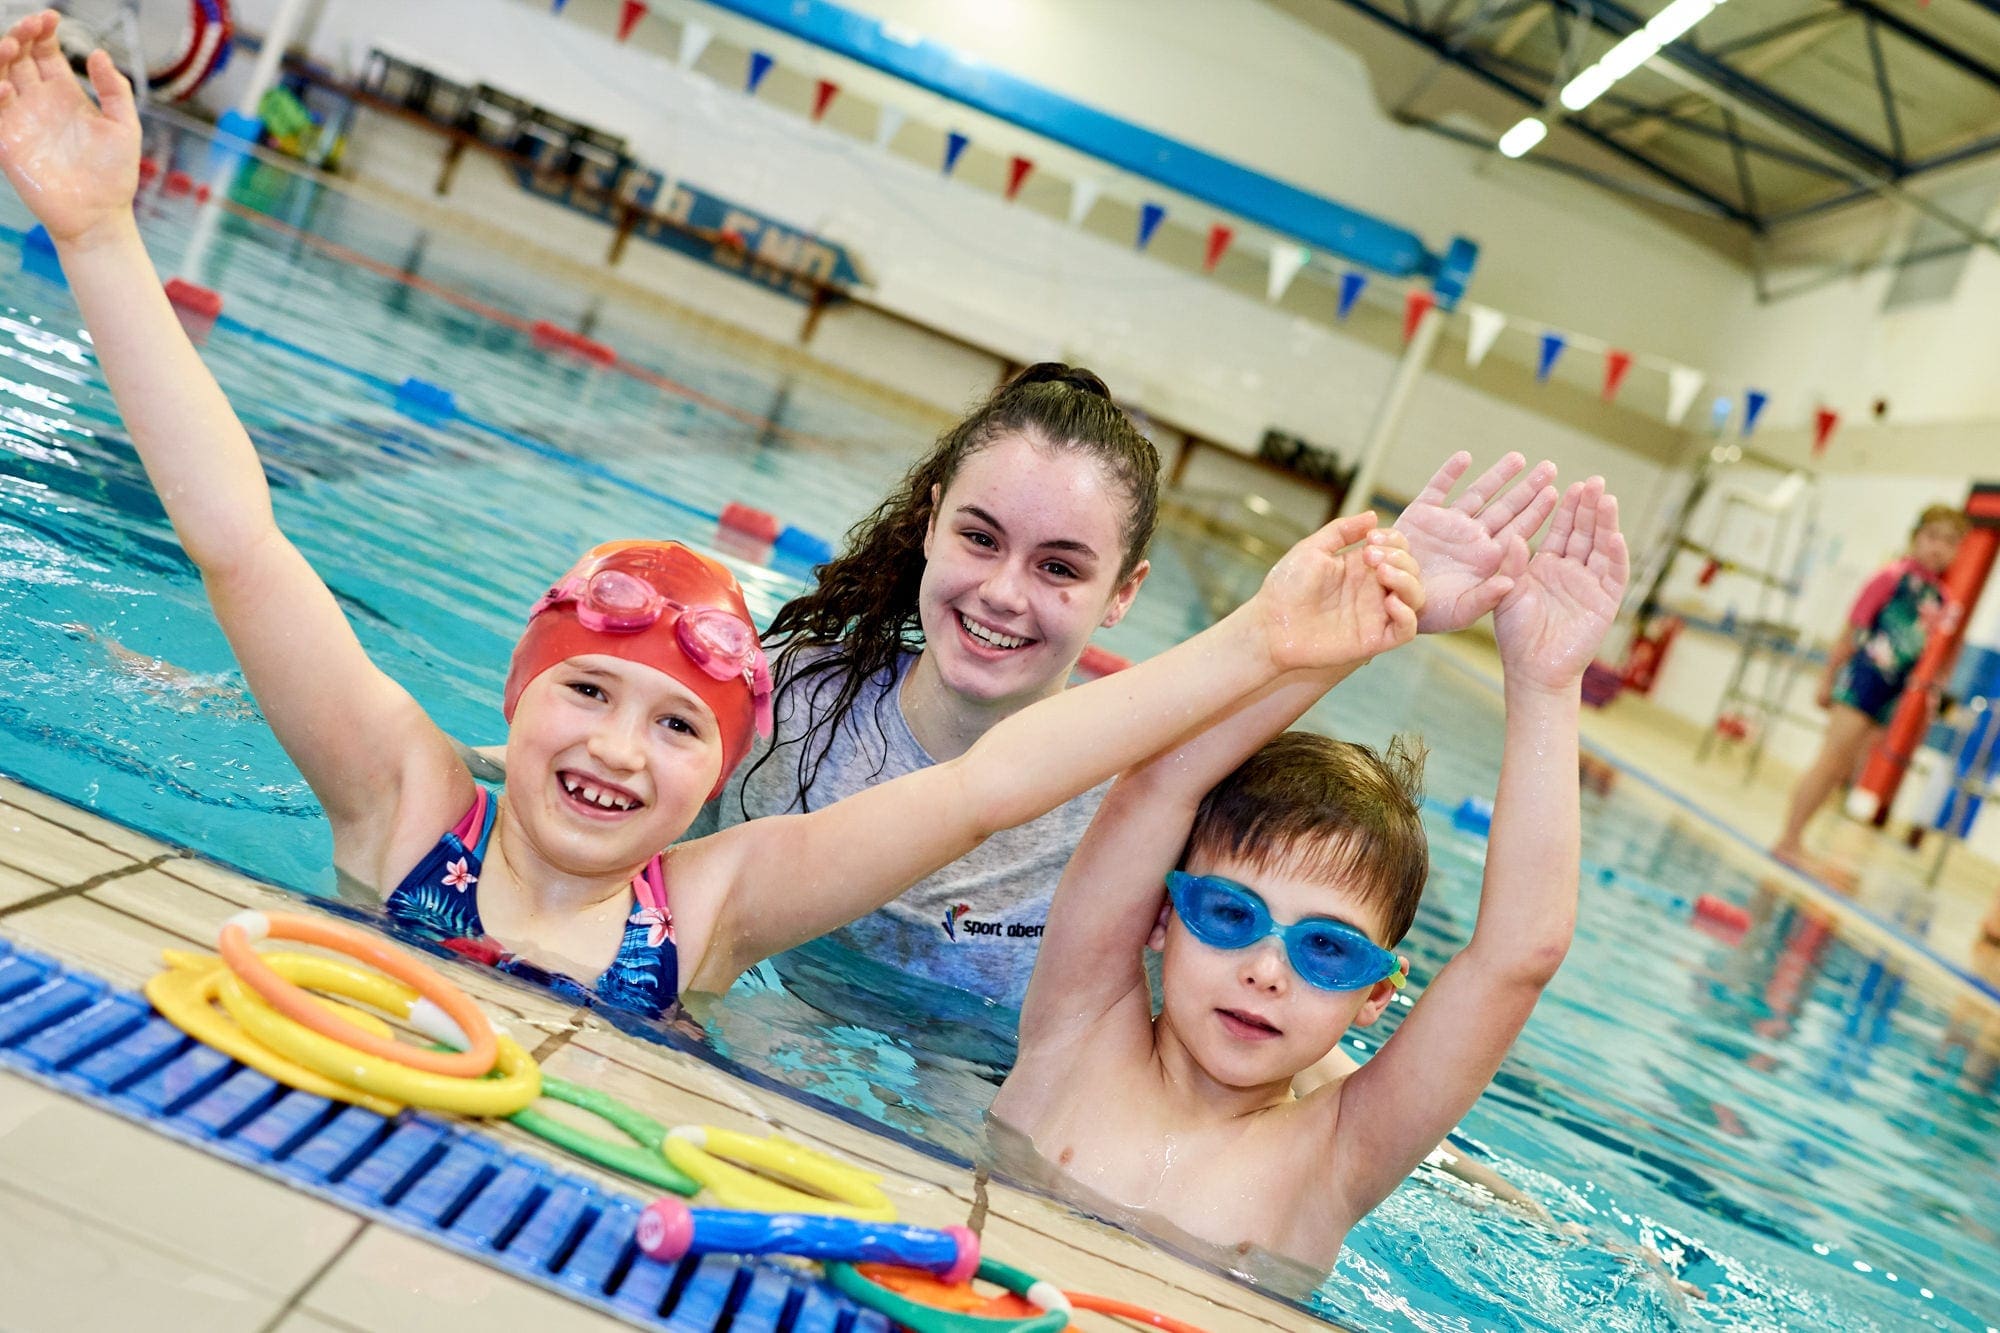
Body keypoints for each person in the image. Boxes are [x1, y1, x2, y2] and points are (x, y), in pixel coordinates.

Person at [0, 7, 1424, 1015]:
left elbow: (988, 787)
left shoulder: (713, 912)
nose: (621, 747)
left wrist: (1264, 645)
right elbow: (238, 538)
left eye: (679, 724)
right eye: (591, 694)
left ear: (723, 771)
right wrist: (100, 235)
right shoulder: (407, 799)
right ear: (516, 697)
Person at [692, 381, 1557, 1007]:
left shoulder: (1151, 813)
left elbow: (1270, 1019)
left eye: (1059, 567)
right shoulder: (783, 703)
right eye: (980, 537)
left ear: (1124, 593)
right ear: (930, 524)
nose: (1002, 592)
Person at [990, 479, 1628, 1264]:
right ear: (1161, 916)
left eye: (1327, 949)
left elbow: (1514, 959)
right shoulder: (1076, 1029)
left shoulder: (1333, 1158)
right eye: (1229, 914)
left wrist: (1546, 686)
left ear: (1377, 993)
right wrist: (1370, 619)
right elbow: (1155, 783)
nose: (1265, 970)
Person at [1772, 504, 1968, 868]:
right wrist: (1828, 677)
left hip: (1891, 692)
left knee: (1847, 769)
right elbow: (1852, 628)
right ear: (1915, 537)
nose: (1938, 548)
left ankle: (1800, 839)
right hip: (1861, 678)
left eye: (1949, 542)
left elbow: (1930, 655)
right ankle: (1789, 839)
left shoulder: (1939, 599)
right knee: (1831, 761)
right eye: (1932, 537)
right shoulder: (1891, 577)